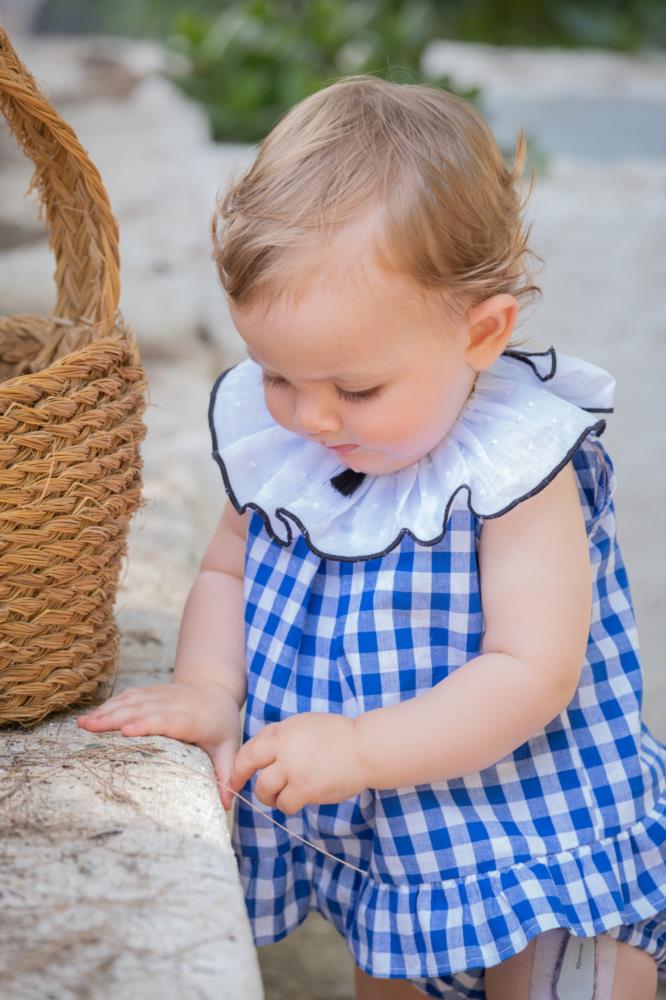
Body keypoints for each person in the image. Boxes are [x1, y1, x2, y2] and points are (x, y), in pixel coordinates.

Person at [77, 76, 665, 999]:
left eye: (355, 390)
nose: (310, 418)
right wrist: (207, 687)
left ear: (483, 333)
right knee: (388, 972)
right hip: (391, 836)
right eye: (276, 373)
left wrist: (359, 751)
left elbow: (532, 668)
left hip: (535, 828)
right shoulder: (289, 435)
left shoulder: (515, 465)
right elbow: (230, 570)